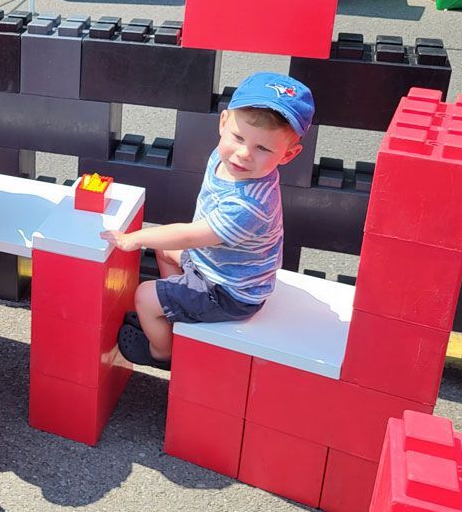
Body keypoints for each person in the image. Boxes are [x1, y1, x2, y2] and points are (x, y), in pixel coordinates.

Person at [105, 72, 315, 370]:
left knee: (144, 296)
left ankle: (163, 353)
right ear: (223, 122)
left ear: (288, 155)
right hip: (212, 264)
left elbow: (191, 236)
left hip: (230, 292)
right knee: (164, 251)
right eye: (239, 138)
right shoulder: (223, 157)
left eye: (263, 148)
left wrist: (135, 238)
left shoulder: (250, 204)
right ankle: (174, 312)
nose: (243, 154)